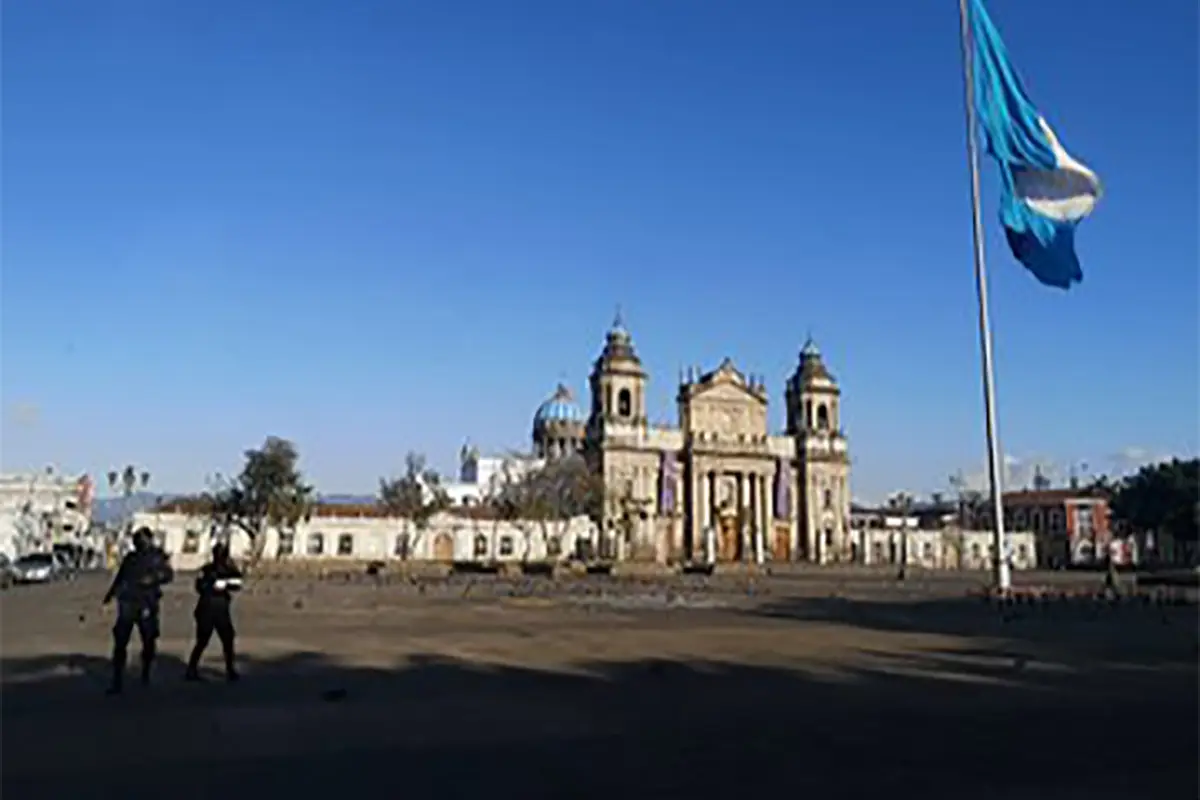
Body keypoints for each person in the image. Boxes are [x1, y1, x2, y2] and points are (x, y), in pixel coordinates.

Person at [102, 527, 174, 695]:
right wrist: (110, 595)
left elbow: (168, 575)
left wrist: (153, 578)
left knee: (148, 641)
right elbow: (121, 577)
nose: (138, 542)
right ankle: (117, 679)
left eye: (141, 539)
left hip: (147, 603)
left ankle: (146, 673)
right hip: (128, 603)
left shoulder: (157, 556)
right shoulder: (131, 558)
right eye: (136, 539)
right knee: (120, 642)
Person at [185, 541, 243, 682]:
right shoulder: (207, 569)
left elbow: (237, 583)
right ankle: (191, 669)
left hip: (221, 609)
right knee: (203, 640)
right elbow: (199, 586)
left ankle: (230, 670)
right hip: (206, 608)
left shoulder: (229, 569)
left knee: (227, 640)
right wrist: (212, 585)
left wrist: (227, 583)